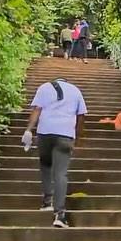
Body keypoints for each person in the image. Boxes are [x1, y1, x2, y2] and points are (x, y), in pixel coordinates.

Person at [22, 76, 87, 228]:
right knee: (60, 173)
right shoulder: (76, 90)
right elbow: (81, 117)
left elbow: (37, 110)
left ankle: (47, 202)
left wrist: (28, 131)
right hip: (65, 134)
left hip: (45, 132)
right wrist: (78, 137)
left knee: (45, 166)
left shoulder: (44, 87)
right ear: (67, 82)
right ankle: (60, 214)